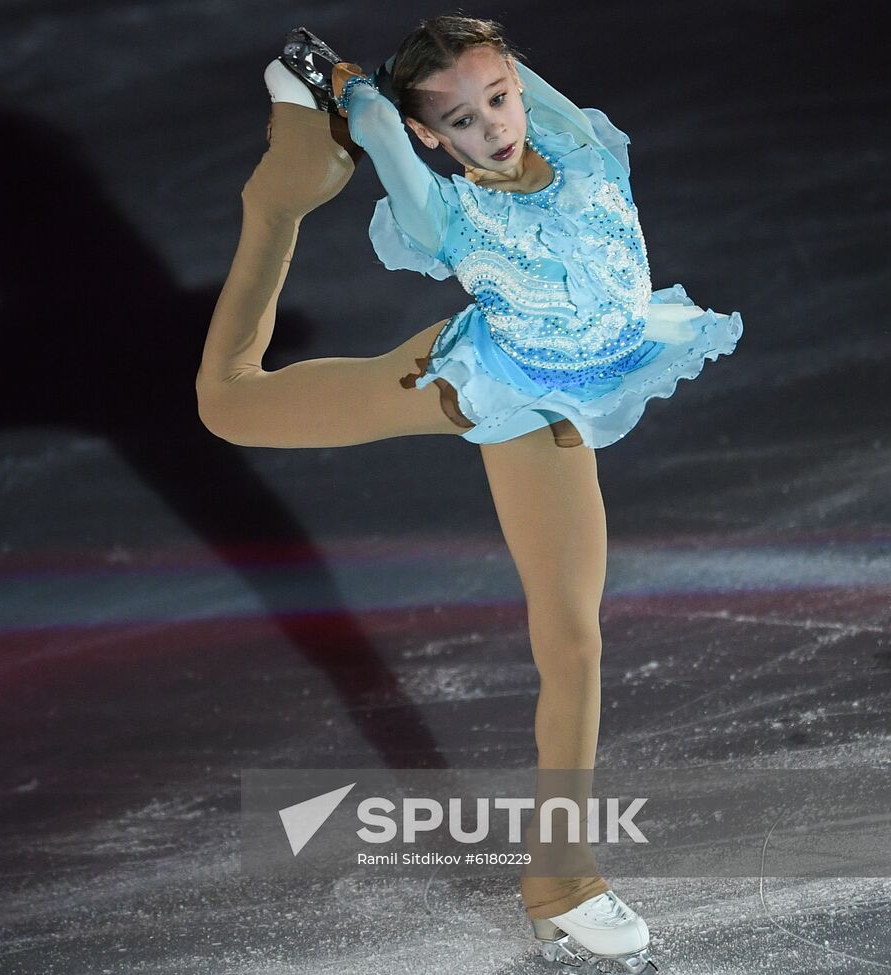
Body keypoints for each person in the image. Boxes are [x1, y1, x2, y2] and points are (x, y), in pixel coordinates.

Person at [196, 15, 738, 973]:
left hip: (571, 392)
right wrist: (362, 105)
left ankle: (560, 880)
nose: (494, 124)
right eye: (461, 119)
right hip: (481, 387)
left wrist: (459, 61)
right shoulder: (447, 213)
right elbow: (387, 140)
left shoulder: (580, 149)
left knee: (573, 637)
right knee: (230, 407)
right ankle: (275, 200)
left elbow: (511, 71)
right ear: (432, 137)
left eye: (498, 99)